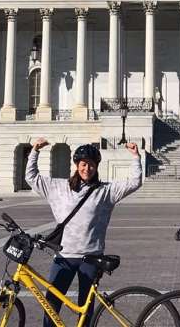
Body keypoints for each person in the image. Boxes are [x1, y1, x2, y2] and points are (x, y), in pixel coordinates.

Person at [27, 139, 142, 327]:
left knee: (86, 308)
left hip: (91, 257)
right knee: (51, 305)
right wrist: (34, 151)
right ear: (76, 165)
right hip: (64, 256)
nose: (87, 169)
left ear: (96, 167)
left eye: (91, 165)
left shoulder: (106, 191)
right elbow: (32, 178)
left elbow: (134, 182)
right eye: (83, 164)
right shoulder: (59, 187)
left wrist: (136, 157)